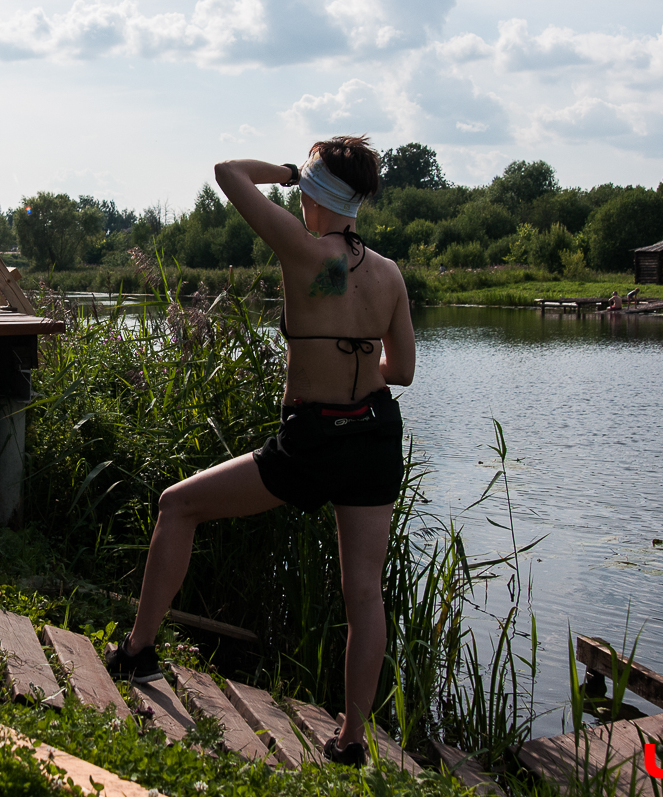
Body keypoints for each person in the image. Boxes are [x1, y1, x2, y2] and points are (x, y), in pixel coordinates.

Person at [105, 136, 416, 768]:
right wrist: (355, 356)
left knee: (176, 506)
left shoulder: (303, 250)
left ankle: (138, 652)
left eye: (304, 187)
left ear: (312, 192)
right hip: (376, 432)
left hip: (313, 440)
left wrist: (282, 172)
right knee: (364, 591)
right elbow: (402, 369)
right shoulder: (387, 274)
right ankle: (351, 741)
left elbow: (227, 172)